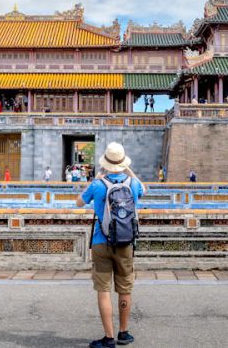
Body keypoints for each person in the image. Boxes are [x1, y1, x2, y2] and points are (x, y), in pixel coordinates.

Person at [76, 142, 144, 348]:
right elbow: (144, 189)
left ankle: (108, 338)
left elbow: (78, 202)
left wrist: (98, 179)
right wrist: (127, 169)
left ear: (105, 162)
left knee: (103, 290)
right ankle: (124, 333)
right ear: (122, 162)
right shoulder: (132, 184)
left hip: (100, 241)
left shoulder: (97, 185)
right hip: (125, 243)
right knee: (125, 288)